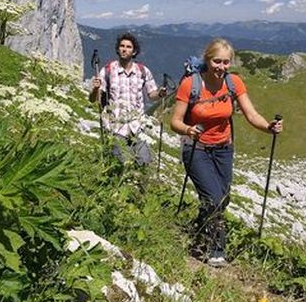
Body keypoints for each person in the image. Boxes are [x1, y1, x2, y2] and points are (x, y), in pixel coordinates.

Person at [170, 38, 283, 267]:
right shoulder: (191, 84)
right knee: (214, 198)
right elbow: (175, 121)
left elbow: (251, 114)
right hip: (196, 148)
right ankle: (216, 250)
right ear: (207, 60)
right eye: (216, 61)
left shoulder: (234, 83)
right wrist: (188, 129)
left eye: (226, 62)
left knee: (223, 199)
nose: (221, 67)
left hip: (224, 149)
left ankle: (197, 232)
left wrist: (268, 127)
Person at [89, 32, 167, 165]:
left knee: (144, 161)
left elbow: (151, 95)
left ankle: (136, 183)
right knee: (121, 162)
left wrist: (159, 93)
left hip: (137, 126)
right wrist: (95, 89)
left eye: (128, 47)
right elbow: (93, 99)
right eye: (122, 46)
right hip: (116, 126)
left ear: (134, 51)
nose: (124, 49)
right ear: (118, 49)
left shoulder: (143, 71)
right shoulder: (108, 70)